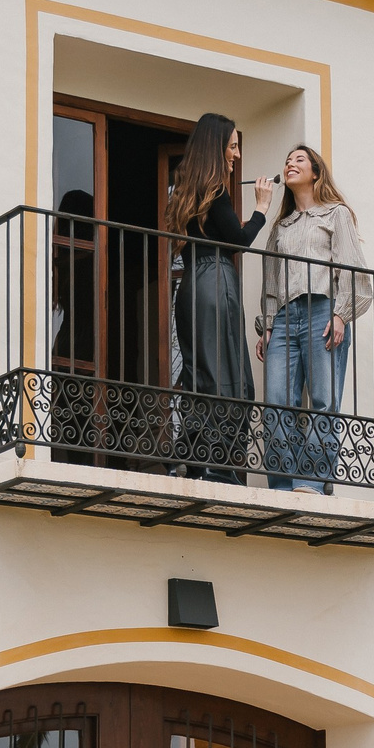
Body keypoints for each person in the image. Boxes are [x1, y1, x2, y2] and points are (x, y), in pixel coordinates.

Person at [165, 114, 274, 480]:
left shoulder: (185, 190)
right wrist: (261, 208)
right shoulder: (216, 188)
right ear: (217, 148)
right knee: (233, 379)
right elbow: (238, 241)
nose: (236, 155)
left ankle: (190, 458)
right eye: (232, 146)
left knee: (202, 374)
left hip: (191, 287)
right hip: (215, 280)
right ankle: (220, 468)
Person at [255, 145, 369, 494]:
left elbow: (353, 267)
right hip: (286, 317)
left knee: (323, 400)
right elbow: (272, 280)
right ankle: (282, 483)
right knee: (277, 402)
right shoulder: (281, 228)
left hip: (324, 309)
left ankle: (312, 482)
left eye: (299, 160)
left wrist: (341, 314)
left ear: (316, 172)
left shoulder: (337, 215)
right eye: (287, 160)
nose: (290, 163)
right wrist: (269, 324)